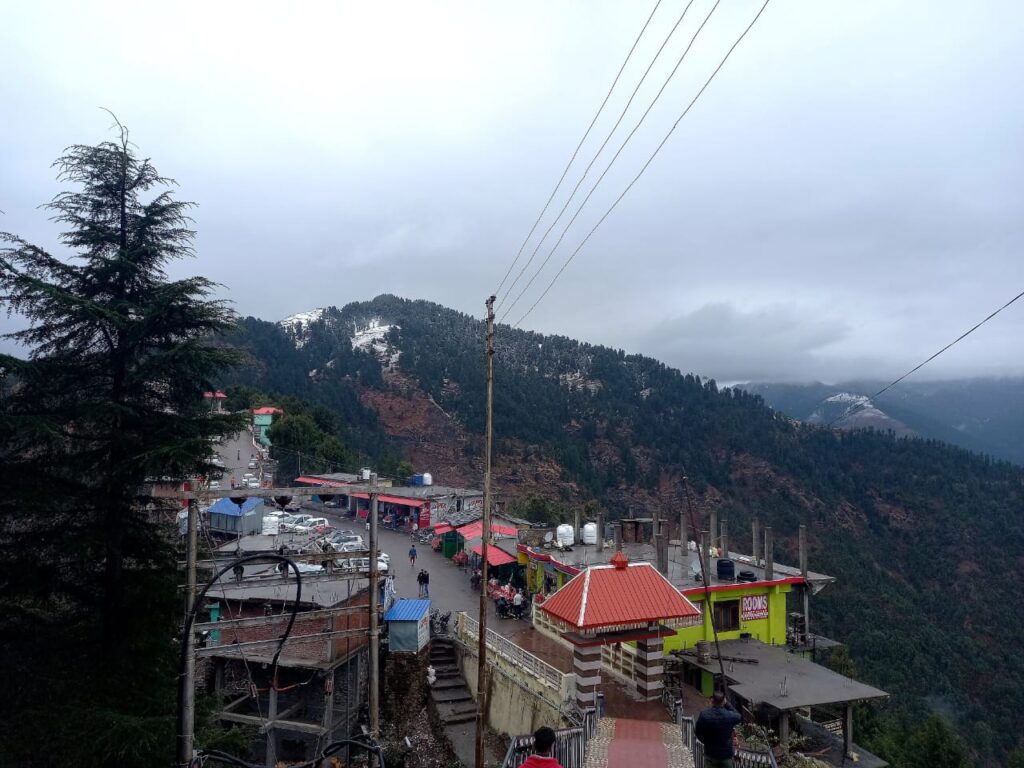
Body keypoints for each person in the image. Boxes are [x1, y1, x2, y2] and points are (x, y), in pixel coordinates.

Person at [694, 690, 742, 768]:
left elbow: (698, 732)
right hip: (726, 754)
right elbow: (738, 716)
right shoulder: (729, 715)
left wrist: (706, 741)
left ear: (712, 700)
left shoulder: (704, 715)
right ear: (723, 701)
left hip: (710, 752)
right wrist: (727, 704)